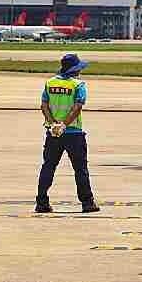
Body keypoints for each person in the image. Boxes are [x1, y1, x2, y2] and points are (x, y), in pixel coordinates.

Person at [36, 52, 99, 214]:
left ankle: (41, 202)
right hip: (74, 134)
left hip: (53, 133)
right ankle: (87, 202)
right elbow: (77, 108)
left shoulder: (50, 83)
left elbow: (44, 105)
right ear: (75, 70)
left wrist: (53, 123)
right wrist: (64, 125)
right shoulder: (78, 85)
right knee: (80, 169)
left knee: (48, 166)